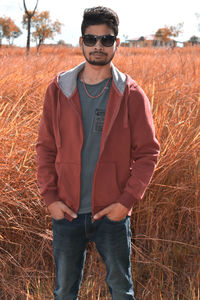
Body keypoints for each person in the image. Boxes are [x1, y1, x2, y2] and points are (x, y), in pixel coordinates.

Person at [36, 6, 160, 300]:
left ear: (117, 43)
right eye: (91, 39)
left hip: (112, 214)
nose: (98, 46)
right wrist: (50, 198)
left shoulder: (130, 93)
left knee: (121, 290)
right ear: (81, 42)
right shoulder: (58, 90)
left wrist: (125, 202)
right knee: (64, 291)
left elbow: (147, 153)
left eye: (106, 40)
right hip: (66, 212)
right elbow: (45, 147)